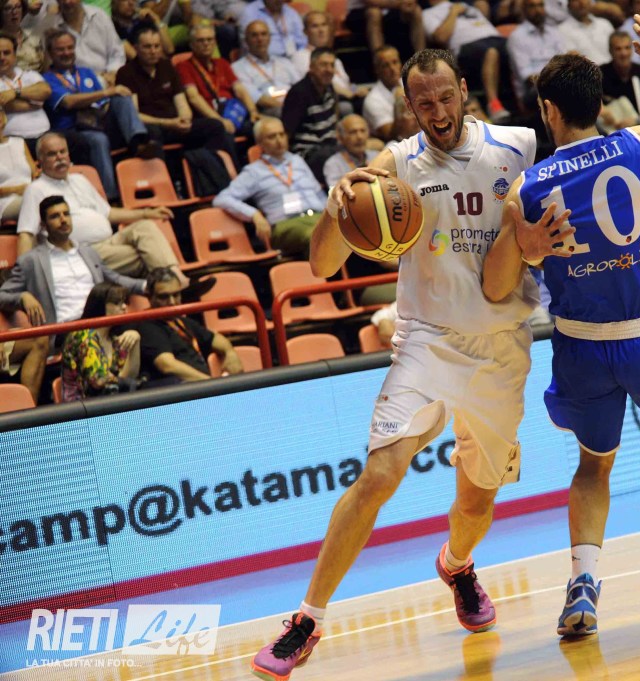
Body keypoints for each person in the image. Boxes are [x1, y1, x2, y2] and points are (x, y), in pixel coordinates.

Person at [250, 48, 539, 680]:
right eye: (423, 102)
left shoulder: (519, 146)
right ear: (409, 105)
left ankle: (457, 565)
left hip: (501, 349)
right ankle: (307, 620)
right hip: (426, 341)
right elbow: (322, 266)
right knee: (380, 475)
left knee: (476, 505)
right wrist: (339, 206)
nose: (437, 111)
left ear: (465, 90)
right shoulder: (396, 164)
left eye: (446, 97)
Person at [482, 9, 640, 636]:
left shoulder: (526, 188)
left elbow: (495, 287)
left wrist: (522, 240)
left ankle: (583, 584)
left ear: (548, 110)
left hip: (582, 346)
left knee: (594, 465)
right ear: (599, 103)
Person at [16, 133, 205, 295]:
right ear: (39, 161)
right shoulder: (36, 190)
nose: (60, 157)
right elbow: (26, 233)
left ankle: (177, 280)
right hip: (82, 252)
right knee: (146, 255)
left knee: (146, 226)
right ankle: (177, 286)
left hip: (110, 242)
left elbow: (108, 213)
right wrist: (24, 277)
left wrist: (146, 213)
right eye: (52, 154)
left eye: (62, 151)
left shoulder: (79, 180)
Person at [0, 195, 146, 332]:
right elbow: (2, 296)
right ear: (43, 225)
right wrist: (22, 297)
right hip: (65, 330)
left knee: (144, 328)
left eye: (66, 214)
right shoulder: (31, 261)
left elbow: (115, 278)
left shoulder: (88, 252)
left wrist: (148, 286)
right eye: (55, 216)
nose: (63, 220)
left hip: (101, 325)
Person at [44, 29, 156, 201]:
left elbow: (103, 104)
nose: (66, 53)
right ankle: (110, 198)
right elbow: (68, 102)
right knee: (99, 140)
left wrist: (110, 97)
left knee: (121, 98)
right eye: (60, 49)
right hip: (74, 130)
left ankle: (138, 141)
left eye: (70, 48)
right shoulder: (47, 79)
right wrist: (107, 92)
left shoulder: (86, 73)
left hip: (99, 121)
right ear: (50, 53)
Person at [213, 116, 325, 256]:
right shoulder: (254, 171)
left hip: (318, 217)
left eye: (281, 134)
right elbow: (222, 199)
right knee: (318, 237)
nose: (279, 140)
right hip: (287, 225)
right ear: (260, 143)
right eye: (272, 137)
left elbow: (318, 193)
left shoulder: (297, 161)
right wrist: (254, 215)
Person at [117, 24, 235, 157]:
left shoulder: (167, 66)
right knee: (152, 133)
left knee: (215, 126)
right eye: (147, 47)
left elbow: (181, 101)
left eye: (157, 46)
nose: (153, 51)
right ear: (136, 48)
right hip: (154, 125)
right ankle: (164, 170)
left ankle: (210, 165)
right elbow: (134, 115)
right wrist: (168, 123)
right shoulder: (126, 73)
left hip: (176, 124)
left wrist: (184, 119)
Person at [137, 266, 243, 384]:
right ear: (149, 297)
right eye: (163, 297)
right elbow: (167, 365)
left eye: (176, 295)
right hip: (183, 389)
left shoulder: (180, 320)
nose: (172, 302)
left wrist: (230, 353)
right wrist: (211, 383)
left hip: (204, 385)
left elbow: (215, 338)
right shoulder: (146, 325)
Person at [421, 0, 512, 122]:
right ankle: (494, 105)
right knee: (491, 52)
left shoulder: (466, 5)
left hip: (496, 38)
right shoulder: (428, 13)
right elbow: (441, 37)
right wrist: (453, 12)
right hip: (467, 48)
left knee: (518, 44)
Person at [176, 24, 260, 140]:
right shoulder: (184, 66)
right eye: (200, 40)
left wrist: (253, 111)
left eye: (209, 39)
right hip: (210, 117)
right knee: (222, 131)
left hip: (233, 112)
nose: (206, 43)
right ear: (191, 44)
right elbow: (193, 97)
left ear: (215, 43)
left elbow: (240, 90)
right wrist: (219, 120)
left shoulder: (222, 63)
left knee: (262, 126)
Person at [60, 281, 142, 401]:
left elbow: (129, 377)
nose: (124, 307)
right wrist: (125, 382)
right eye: (117, 303)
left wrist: (136, 341)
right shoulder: (82, 335)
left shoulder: (113, 339)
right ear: (100, 305)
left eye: (124, 302)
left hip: (111, 402)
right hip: (82, 406)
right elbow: (99, 381)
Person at [281, 47, 343, 183]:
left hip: (330, 146)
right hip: (308, 153)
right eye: (323, 65)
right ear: (311, 67)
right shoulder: (299, 93)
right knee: (341, 158)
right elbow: (286, 133)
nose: (328, 70)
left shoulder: (329, 86)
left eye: (332, 65)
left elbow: (336, 116)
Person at [42, 0, 126, 86]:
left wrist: (112, 72)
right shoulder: (52, 26)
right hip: (74, 85)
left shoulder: (99, 16)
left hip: (107, 79)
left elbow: (117, 53)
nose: (67, 2)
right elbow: (50, 68)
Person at [291, 11, 367, 104]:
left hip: (347, 98)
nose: (321, 30)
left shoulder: (333, 58)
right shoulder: (301, 56)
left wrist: (356, 89)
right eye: (315, 26)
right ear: (305, 31)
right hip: (326, 102)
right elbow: (318, 84)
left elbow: (347, 84)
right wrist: (350, 94)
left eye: (324, 25)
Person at [232, 20, 300, 118]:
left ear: (269, 38)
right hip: (269, 110)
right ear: (246, 40)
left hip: (295, 104)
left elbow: (301, 86)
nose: (260, 39)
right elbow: (257, 98)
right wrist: (290, 107)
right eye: (254, 35)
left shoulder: (284, 62)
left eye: (264, 34)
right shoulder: (238, 68)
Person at [507, 0, 565, 106]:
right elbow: (527, 77)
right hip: (533, 90)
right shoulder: (517, 37)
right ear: (524, 10)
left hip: (558, 81)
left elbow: (564, 61)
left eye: (540, 5)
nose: (538, 10)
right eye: (532, 6)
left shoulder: (553, 32)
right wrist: (554, 79)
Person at [0, 34, 52, 154]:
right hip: (12, 140)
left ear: (14, 55)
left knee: (78, 141)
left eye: (6, 53)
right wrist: (34, 102)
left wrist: (15, 93)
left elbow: (45, 91)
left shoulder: (30, 75)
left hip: (45, 136)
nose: (2, 57)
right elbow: (6, 105)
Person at [600, 31, 640, 128]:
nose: (624, 53)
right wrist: (602, 111)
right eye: (618, 49)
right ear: (610, 51)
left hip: (639, 127)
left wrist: (637, 121)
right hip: (610, 129)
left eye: (627, 48)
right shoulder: (600, 74)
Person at [323, 114, 379, 189]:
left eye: (363, 131)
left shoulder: (377, 156)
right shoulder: (333, 164)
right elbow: (336, 192)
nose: (359, 137)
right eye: (353, 132)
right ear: (341, 138)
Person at [239, 0, 305, 59]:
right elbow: (247, 45)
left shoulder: (290, 12)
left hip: (291, 59)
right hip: (261, 60)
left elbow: (302, 41)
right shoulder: (250, 12)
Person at [362, 45, 403, 140]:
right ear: (377, 70)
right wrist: (400, 103)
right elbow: (390, 135)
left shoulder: (411, 82)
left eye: (395, 62)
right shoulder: (372, 100)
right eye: (386, 65)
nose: (392, 68)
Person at [557, 0, 615, 67]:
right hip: (588, 72)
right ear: (568, 4)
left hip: (615, 70)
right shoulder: (562, 30)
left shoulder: (605, 24)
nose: (582, 2)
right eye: (576, 0)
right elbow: (574, 60)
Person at [0, 108, 34, 221]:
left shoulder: (19, 142)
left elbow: (35, 174)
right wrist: (15, 189)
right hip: (5, 201)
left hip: (32, 193)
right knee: (35, 204)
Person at [1, 0, 44, 72]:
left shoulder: (34, 38)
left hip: (36, 77)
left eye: (18, 7)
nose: (14, 12)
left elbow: (43, 66)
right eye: (8, 8)